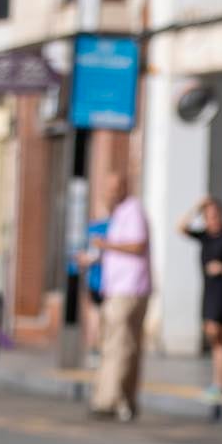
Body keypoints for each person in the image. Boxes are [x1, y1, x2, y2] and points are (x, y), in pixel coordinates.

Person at [86, 169, 151, 421]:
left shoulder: (132, 211)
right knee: (123, 345)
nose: (109, 194)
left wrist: (105, 245)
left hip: (128, 289)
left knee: (117, 345)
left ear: (125, 188)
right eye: (107, 189)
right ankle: (124, 400)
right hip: (119, 288)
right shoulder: (120, 214)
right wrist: (94, 257)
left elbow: (137, 245)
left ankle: (108, 399)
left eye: (114, 189)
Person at [179, 197, 222, 402]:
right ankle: (219, 383)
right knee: (214, 337)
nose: (213, 220)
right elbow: (181, 227)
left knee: (217, 334)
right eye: (208, 216)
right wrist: (197, 207)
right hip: (208, 291)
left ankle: (221, 384)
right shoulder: (205, 236)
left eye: (215, 215)